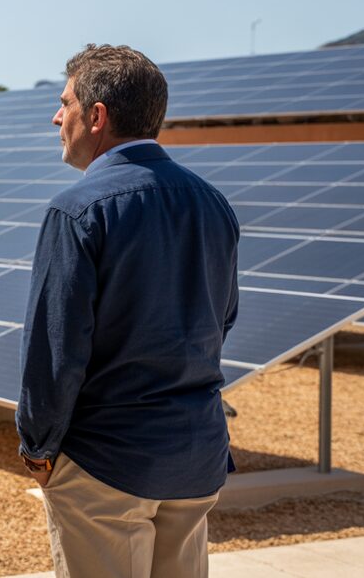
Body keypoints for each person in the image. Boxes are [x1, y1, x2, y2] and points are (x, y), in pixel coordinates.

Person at [17, 44, 239, 578]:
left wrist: (39, 449)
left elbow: (55, 350)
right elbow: (222, 319)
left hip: (105, 462)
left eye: (65, 102)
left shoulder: (76, 209)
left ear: (97, 117)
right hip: (195, 458)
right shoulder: (213, 203)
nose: (56, 116)